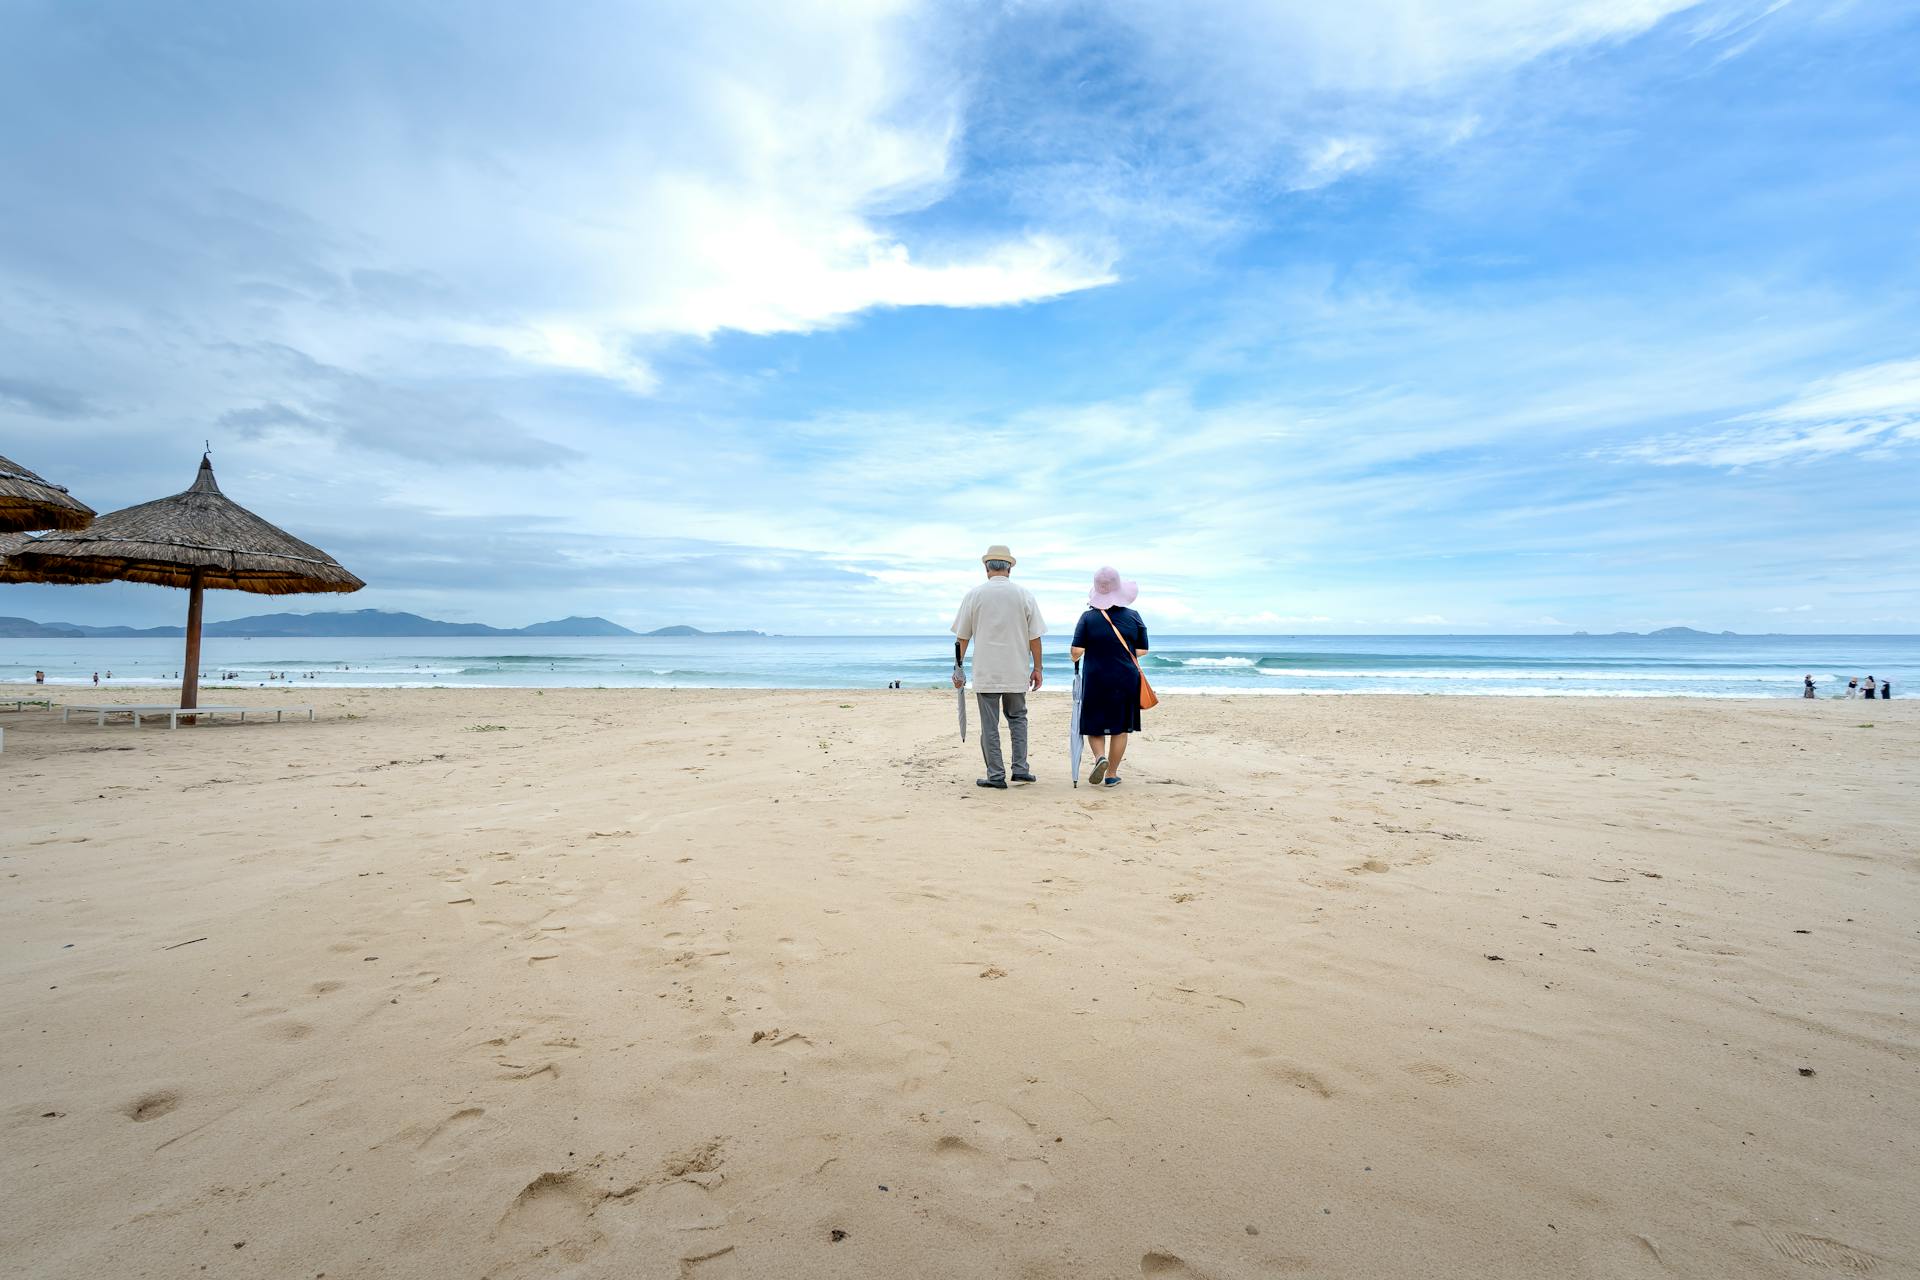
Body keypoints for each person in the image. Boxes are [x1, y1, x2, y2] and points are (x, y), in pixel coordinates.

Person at [951, 544, 1045, 789]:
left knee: (989, 725)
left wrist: (957, 668)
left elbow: (962, 638)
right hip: (1016, 669)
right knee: (1018, 719)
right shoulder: (1024, 595)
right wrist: (1038, 668)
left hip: (987, 671)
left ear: (986, 568)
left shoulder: (974, 595)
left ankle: (995, 775)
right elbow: (1035, 637)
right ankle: (1021, 769)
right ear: (1009, 568)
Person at [1070, 566, 1150, 789]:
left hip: (1096, 678)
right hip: (1125, 678)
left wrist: (1087, 651)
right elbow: (1143, 650)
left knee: (1093, 724)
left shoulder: (1087, 618)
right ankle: (1112, 774)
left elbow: (1076, 650)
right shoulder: (1134, 617)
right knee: (1120, 727)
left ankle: (1099, 758)